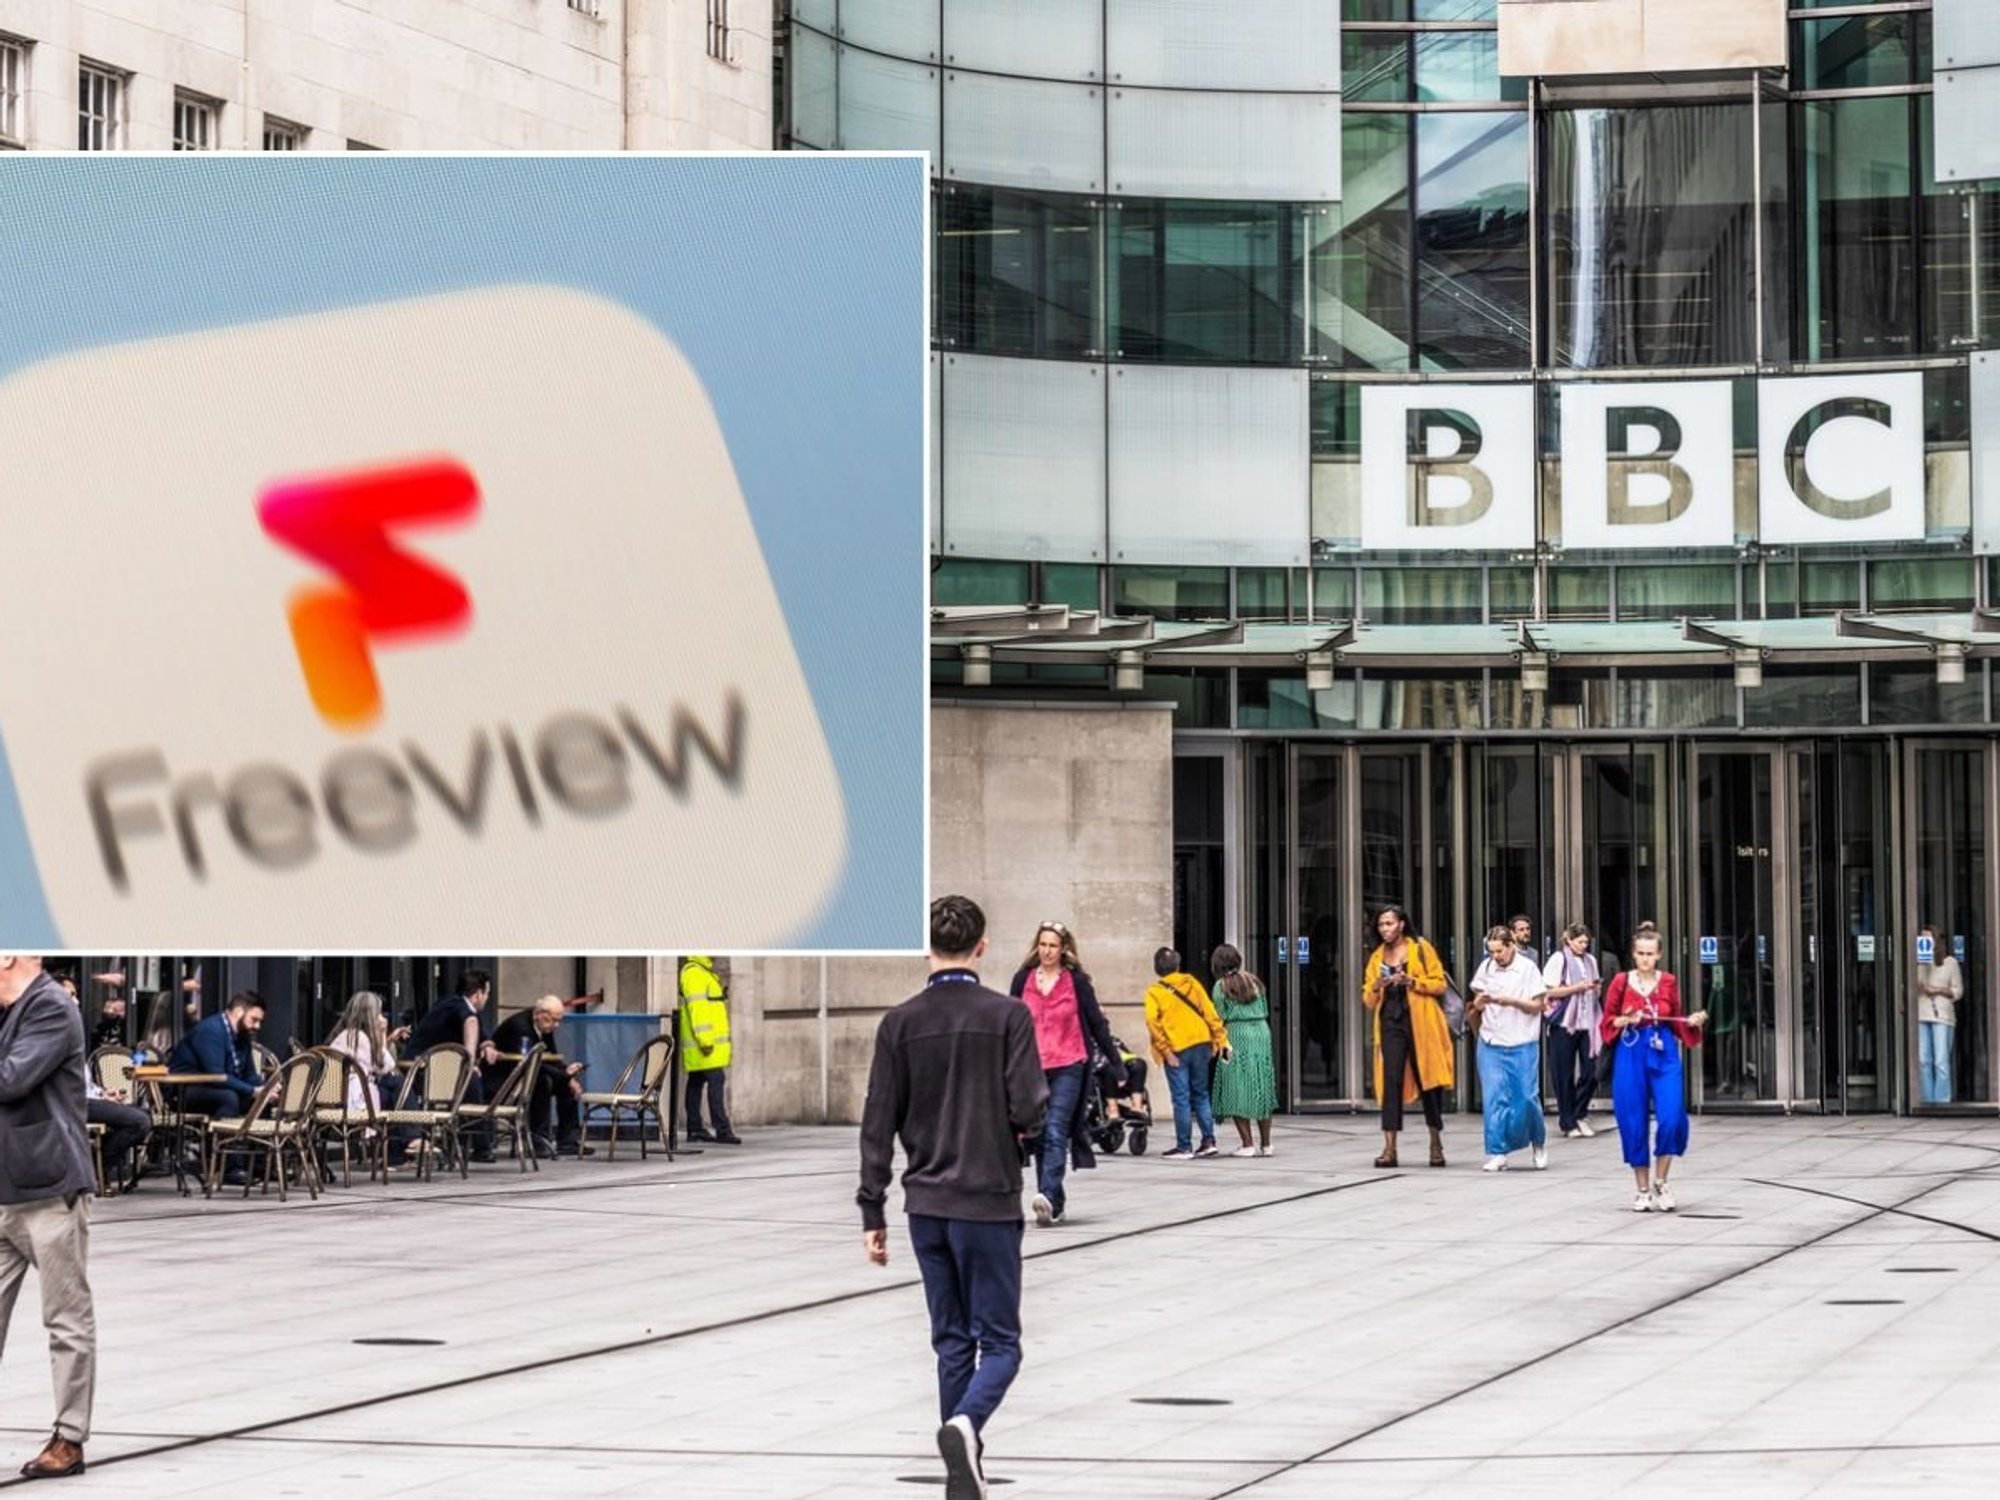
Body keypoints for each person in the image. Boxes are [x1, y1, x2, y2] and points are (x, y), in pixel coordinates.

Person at [858, 896, 1048, 1500]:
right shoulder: (1008, 1016)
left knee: (950, 1341)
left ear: (926, 950)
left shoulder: (900, 1023)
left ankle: (962, 1473)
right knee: (1002, 1344)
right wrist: (1023, 1132)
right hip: (986, 1199)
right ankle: (965, 1425)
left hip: (926, 1204)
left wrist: (872, 1207)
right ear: (983, 947)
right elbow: (1030, 1106)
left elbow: (877, 1120)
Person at [0, 953, 97, 1480]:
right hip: (5, 1188)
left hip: (49, 1187)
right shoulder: (9, 1010)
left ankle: (70, 1439)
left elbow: (11, 1079)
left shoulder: (52, 1009)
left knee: (66, 1319)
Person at [1009, 923, 1121, 1219]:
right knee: (1042, 1133)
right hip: (1033, 1068)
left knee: (1057, 1127)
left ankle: (1045, 1193)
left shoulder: (1077, 982)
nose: (1047, 951)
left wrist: (1116, 1062)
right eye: (1043, 945)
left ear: (1064, 949)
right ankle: (1053, 1201)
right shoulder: (1023, 980)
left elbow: (1097, 1024)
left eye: (1053, 946)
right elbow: (1010, 1023)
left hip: (1069, 1064)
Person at [1599, 929, 1708, 1212]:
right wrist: (1626, 1019)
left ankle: (1662, 1179)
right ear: (1633, 954)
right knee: (1632, 1118)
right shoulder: (1621, 982)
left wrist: (1692, 1022)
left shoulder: (1668, 981)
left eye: (1650, 954)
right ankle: (1643, 1189)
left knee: (1672, 1115)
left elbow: (1677, 1018)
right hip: (1631, 1049)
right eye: (1640, 954)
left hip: (1663, 1051)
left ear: (1658, 954)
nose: (1645, 959)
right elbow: (1607, 1022)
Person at [1362, 905, 1454, 1169]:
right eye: (1381, 925)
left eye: (1389, 924)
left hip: (1421, 1022)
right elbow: (1367, 997)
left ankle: (1436, 1143)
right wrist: (1378, 986)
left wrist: (1412, 982)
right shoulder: (1377, 956)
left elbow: (1440, 983)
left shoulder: (1420, 949)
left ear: (1402, 924)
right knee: (1390, 1080)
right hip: (1391, 1021)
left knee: (1429, 1081)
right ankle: (1389, 1148)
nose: (1385, 929)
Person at [1469, 926, 1549, 1173]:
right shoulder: (1487, 967)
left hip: (1522, 1040)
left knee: (1526, 1096)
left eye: (1500, 951)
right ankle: (1498, 1151)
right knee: (1494, 1098)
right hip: (1492, 1040)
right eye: (1491, 952)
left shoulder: (1528, 969)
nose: (1496, 956)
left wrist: (1512, 1001)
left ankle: (1537, 1140)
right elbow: (1476, 996)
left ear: (1511, 946)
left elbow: (1538, 1005)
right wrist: (1480, 1003)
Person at [1142, 947, 1230, 1162]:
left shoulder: (1154, 992)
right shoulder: (1191, 983)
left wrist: (1164, 1050)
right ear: (1178, 965)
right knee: (1200, 1094)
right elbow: (1209, 1012)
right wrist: (1218, 1039)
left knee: (1181, 1099)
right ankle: (1209, 1142)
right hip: (1201, 1042)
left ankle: (1184, 1146)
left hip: (1177, 1048)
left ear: (1156, 968)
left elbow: (1152, 1022)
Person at [488, 996, 595, 1157]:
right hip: (504, 1081)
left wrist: (567, 1073)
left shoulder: (543, 1026)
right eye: (553, 1020)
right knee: (542, 1083)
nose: (556, 1025)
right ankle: (539, 1140)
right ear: (540, 1014)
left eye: (559, 1021)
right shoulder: (520, 1027)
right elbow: (530, 1063)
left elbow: (550, 1055)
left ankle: (568, 1140)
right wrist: (564, 1076)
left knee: (565, 1086)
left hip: (527, 1075)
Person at [408, 970, 496, 1162]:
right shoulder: (461, 1009)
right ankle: (481, 1145)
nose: (487, 999)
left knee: (475, 1081)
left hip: (430, 1069)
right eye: (487, 994)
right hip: (422, 1071)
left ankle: (471, 1141)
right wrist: (470, 1061)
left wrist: (487, 1043)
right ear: (478, 994)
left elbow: (480, 1031)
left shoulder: (450, 1004)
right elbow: (471, 1022)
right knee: (472, 1080)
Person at [1209, 944, 1277, 1157]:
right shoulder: (1254, 981)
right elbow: (1264, 1006)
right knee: (1261, 1084)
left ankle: (1247, 1144)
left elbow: (1218, 1015)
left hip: (1237, 1033)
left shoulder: (1221, 986)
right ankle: (1267, 1144)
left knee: (1237, 1086)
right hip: (1261, 1031)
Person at [1542, 923, 1604, 1138]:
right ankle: (1568, 1121)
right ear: (1569, 940)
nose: (1583, 946)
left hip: (1589, 1020)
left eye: (1586, 942)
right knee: (1563, 1073)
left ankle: (1579, 1112)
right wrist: (1577, 988)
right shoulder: (1559, 959)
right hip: (1565, 1022)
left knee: (1592, 1070)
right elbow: (1549, 991)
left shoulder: (1591, 961)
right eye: (1580, 942)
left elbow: (1596, 985)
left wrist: (1595, 989)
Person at [167, 990, 264, 1120]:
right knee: (229, 1098)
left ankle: (255, 1138)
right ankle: (219, 1139)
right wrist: (252, 1091)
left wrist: (266, 1088)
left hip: (213, 1086)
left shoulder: (243, 1035)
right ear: (238, 1012)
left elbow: (249, 1075)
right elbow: (216, 1075)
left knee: (265, 1098)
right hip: (184, 1089)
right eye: (254, 1019)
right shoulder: (211, 1030)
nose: (258, 1026)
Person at [678, 955, 740, 1146]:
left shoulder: (702, 972)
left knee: (696, 1082)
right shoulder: (695, 973)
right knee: (716, 1080)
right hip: (704, 1044)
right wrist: (705, 1039)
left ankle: (695, 1128)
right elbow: (698, 1009)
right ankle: (721, 1129)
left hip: (704, 1043)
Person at [1915, 923, 1964, 1106]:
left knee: (1941, 1061)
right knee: (1923, 1060)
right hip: (1921, 1014)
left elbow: (1958, 991)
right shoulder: (1919, 963)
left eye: (1928, 938)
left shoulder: (1950, 963)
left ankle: (1942, 1100)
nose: (1925, 942)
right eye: (1922, 939)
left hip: (1942, 1015)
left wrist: (1937, 990)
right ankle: (1927, 1100)